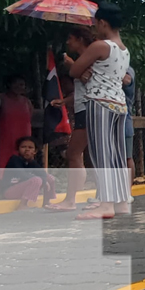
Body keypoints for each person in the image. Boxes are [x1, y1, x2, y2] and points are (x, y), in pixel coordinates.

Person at [67, 3, 131, 219]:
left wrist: (79, 64)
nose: (95, 28)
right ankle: (121, 201)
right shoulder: (124, 50)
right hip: (119, 105)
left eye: (96, 23)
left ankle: (106, 204)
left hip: (99, 102)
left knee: (102, 154)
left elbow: (75, 71)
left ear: (103, 22)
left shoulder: (100, 46)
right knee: (117, 155)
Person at [47, 28, 93, 211]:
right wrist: (65, 101)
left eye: (70, 38)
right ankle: (75, 197)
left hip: (89, 109)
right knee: (78, 154)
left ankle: (71, 200)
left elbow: (92, 80)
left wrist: (72, 65)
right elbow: (83, 88)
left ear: (80, 39)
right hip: (85, 108)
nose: (68, 43)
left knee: (74, 153)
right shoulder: (87, 58)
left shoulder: (91, 57)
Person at [0, 74, 35, 181]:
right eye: (16, 84)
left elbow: (30, 115)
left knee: (23, 155)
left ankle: (25, 180)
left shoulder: (26, 101)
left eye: (22, 85)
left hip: (23, 136)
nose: (19, 87)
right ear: (9, 84)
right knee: (4, 157)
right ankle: (0, 181)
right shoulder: (0, 98)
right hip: (5, 136)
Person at [3, 137, 56, 206]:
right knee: (36, 180)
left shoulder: (32, 162)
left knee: (50, 177)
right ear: (18, 149)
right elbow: (23, 175)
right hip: (10, 191)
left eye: (30, 147)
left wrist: (45, 179)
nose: (27, 149)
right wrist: (43, 181)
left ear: (35, 151)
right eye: (23, 147)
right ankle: (23, 205)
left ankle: (47, 202)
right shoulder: (15, 159)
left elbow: (43, 174)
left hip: (24, 189)